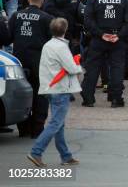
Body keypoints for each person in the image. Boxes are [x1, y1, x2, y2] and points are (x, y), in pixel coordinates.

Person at [27, 18, 82, 168]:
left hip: (50, 88)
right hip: (60, 89)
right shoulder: (62, 47)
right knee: (56, 123)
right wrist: (78, 66)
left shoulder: (48, 45)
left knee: (59, 124)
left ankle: (65, 155)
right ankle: (36, 152)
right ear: (65, 30)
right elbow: (71, 68)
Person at [81, 0, 128, 107]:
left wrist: (100, 34)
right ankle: (116, 98)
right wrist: (119, 35)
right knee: (117, 68)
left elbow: (87, 20)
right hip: (117, 38)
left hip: (98, 38)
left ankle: (88, 98)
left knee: (93, 68)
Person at [8, 0, 53, 138]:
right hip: (39, 60)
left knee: (22, 92)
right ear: (42, 0)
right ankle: (37, 128)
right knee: (40, 94)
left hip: (20, 59)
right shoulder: (46, 18)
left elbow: (8, 38)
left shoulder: (16, 16)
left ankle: (23, 127)